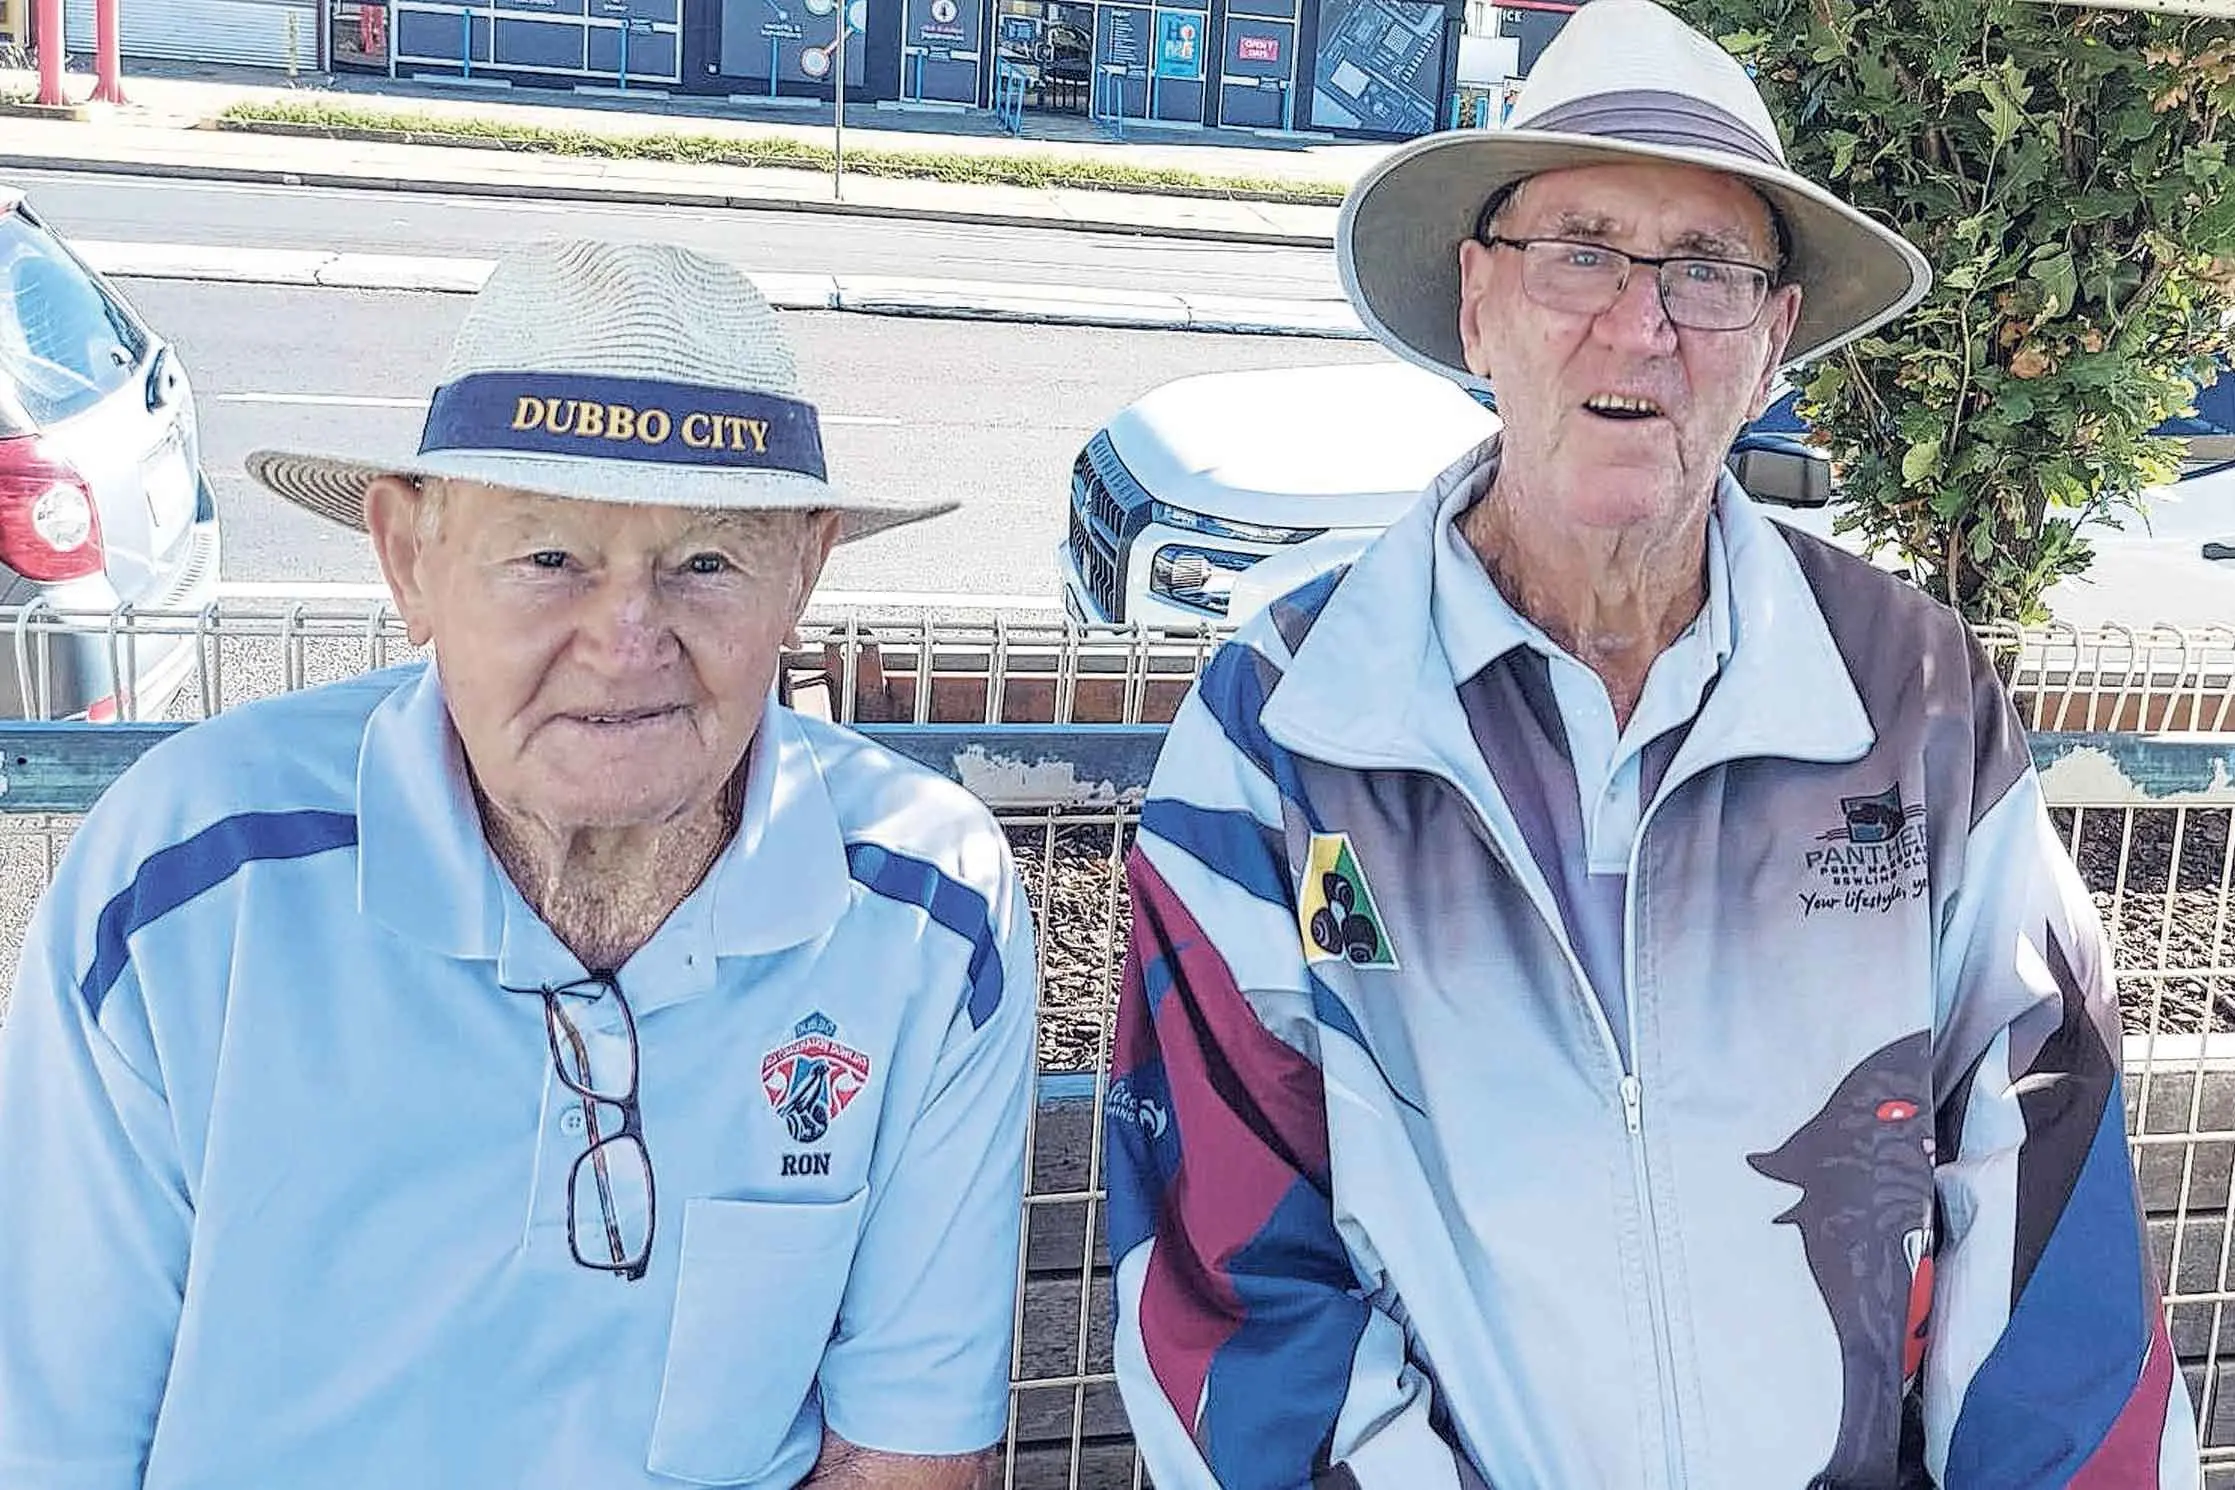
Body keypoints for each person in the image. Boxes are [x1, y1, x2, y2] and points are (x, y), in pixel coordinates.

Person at [1104, 3, 2199, 1486]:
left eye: (1706, 269)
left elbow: (2042, 1193)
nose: (1640, 323)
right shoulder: (1281, 727)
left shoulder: (1913, 697)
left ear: (1771, 344)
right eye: (1580, 251)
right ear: (1476, 304)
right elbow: (1234, 1288)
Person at [0, 239, 1038, 1490]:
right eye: (550, 556)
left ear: (803, 572)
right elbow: (49, 1442)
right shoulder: (178, 885)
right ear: (409, 560)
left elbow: (904, 1462)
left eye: (705, 561)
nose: (627, 639)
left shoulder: (933, 909)